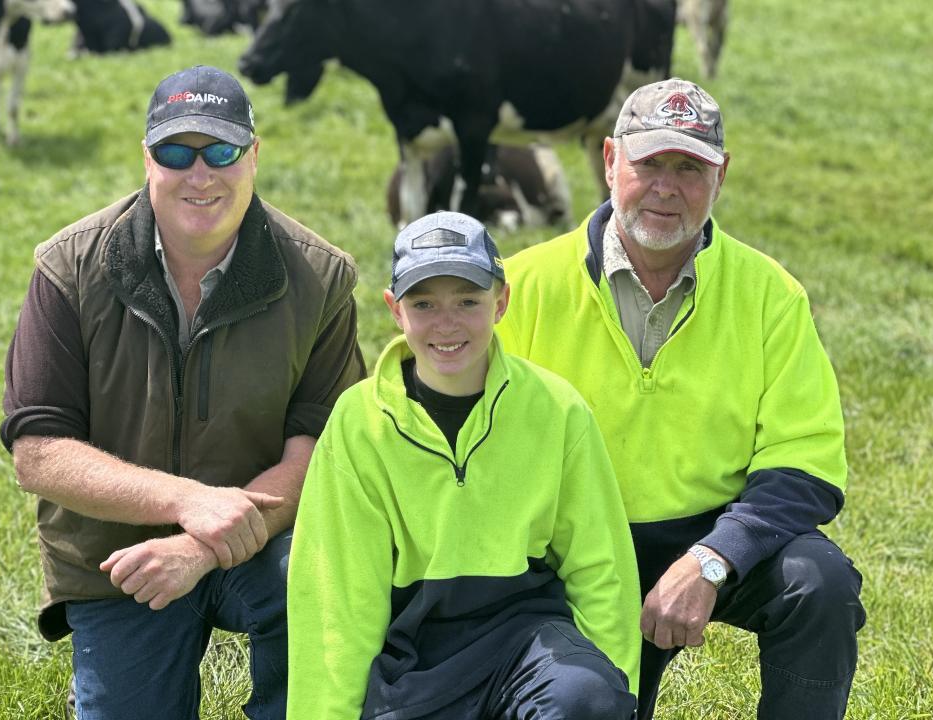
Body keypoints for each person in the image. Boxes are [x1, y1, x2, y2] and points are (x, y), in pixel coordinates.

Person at [0, 64, 366, 719]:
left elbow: (326, 451)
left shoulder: (321, 278)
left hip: (268, 543)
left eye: (222, 151)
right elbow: (39, 452)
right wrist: (187, 502)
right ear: (146, 160)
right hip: (118, 563)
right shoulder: (67, 268)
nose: (201, 174)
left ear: (255, 157)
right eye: (177, 152)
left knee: (320, 584)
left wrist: (202, 542)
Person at [496, 78, 866, 719]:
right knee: (591, 703)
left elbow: (806, 462)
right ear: (610, 161)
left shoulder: (771, 296)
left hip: (713, 534)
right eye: (650, 164)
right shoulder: (523, 285)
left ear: (721, 177)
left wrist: (716, 557)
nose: (667, 187)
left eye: (690, 168)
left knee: (820, 584)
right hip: (566, 551)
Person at [287, 212, 641, 719]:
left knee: (583, 698)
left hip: (530, 643)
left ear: (502, 303)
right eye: (424, 303)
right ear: (395, 310)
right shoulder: (358, 423)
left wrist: (611, 690)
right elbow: (337, 599)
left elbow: (600, 566)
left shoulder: (557, 409)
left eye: (468, 301)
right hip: (415, 660)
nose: (446, 323)